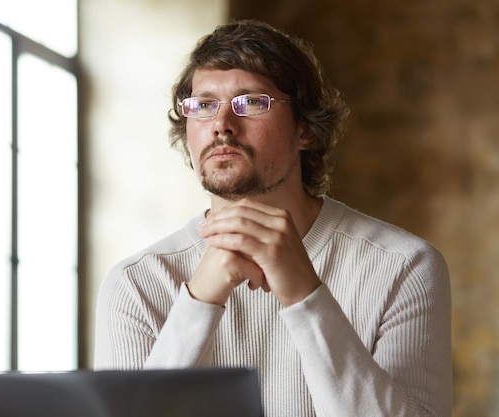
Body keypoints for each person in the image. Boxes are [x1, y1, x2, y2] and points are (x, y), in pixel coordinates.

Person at [94, 19, 451, 417]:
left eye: (251, 102)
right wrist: (198, 302)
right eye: (204, 105)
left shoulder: (404, 266)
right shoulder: (135, 285)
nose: (221, 126)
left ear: (305, 130)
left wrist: (304, 293)